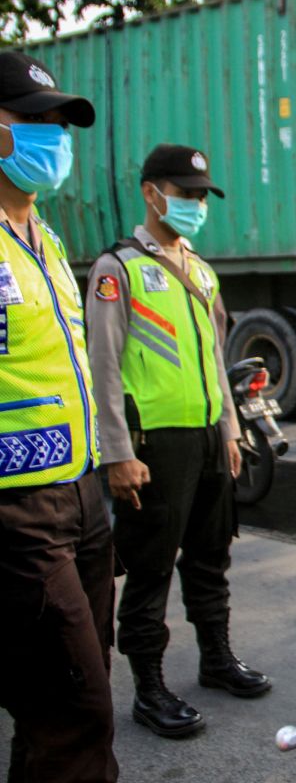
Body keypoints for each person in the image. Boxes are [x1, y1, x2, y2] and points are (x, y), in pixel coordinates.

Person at [86, 143, 269, 739]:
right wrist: (117, 452)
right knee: (149, 568)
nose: (194, 205)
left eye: (200, 196)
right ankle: (149, 688)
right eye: (185, 194)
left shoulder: (202, 271)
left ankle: (216, 659)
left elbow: (217, 358)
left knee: (211, 558)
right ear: (152, 192)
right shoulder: (119, 270)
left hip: (209, 441)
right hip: (153, 447)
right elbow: (104, 367)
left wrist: (231, 431)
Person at [0, 51, 119, 782]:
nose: (55, 137)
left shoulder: (43, 236)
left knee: (64, 700)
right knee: (78, 715)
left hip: (80, 497)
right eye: (36, 121)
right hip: (17, 514)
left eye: (61, 124)